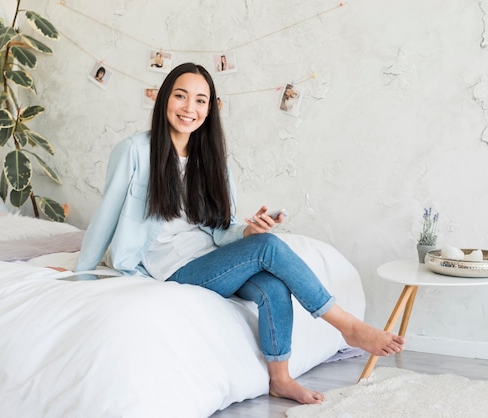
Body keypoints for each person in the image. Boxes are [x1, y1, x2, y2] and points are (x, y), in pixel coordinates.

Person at [75, 62, 405, 405]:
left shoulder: (213, 161)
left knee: (273, 284)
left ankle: (280, 379)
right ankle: (347, 325)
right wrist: (82, 272)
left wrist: (249, 229)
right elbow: (106, 214)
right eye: (181, 96)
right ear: (163, 100)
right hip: (172, 268)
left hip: (211, 259)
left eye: (201, 100)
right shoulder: (134, 151)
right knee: (268, 248)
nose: (190, 108)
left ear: (210, 108)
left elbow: (222, 229)